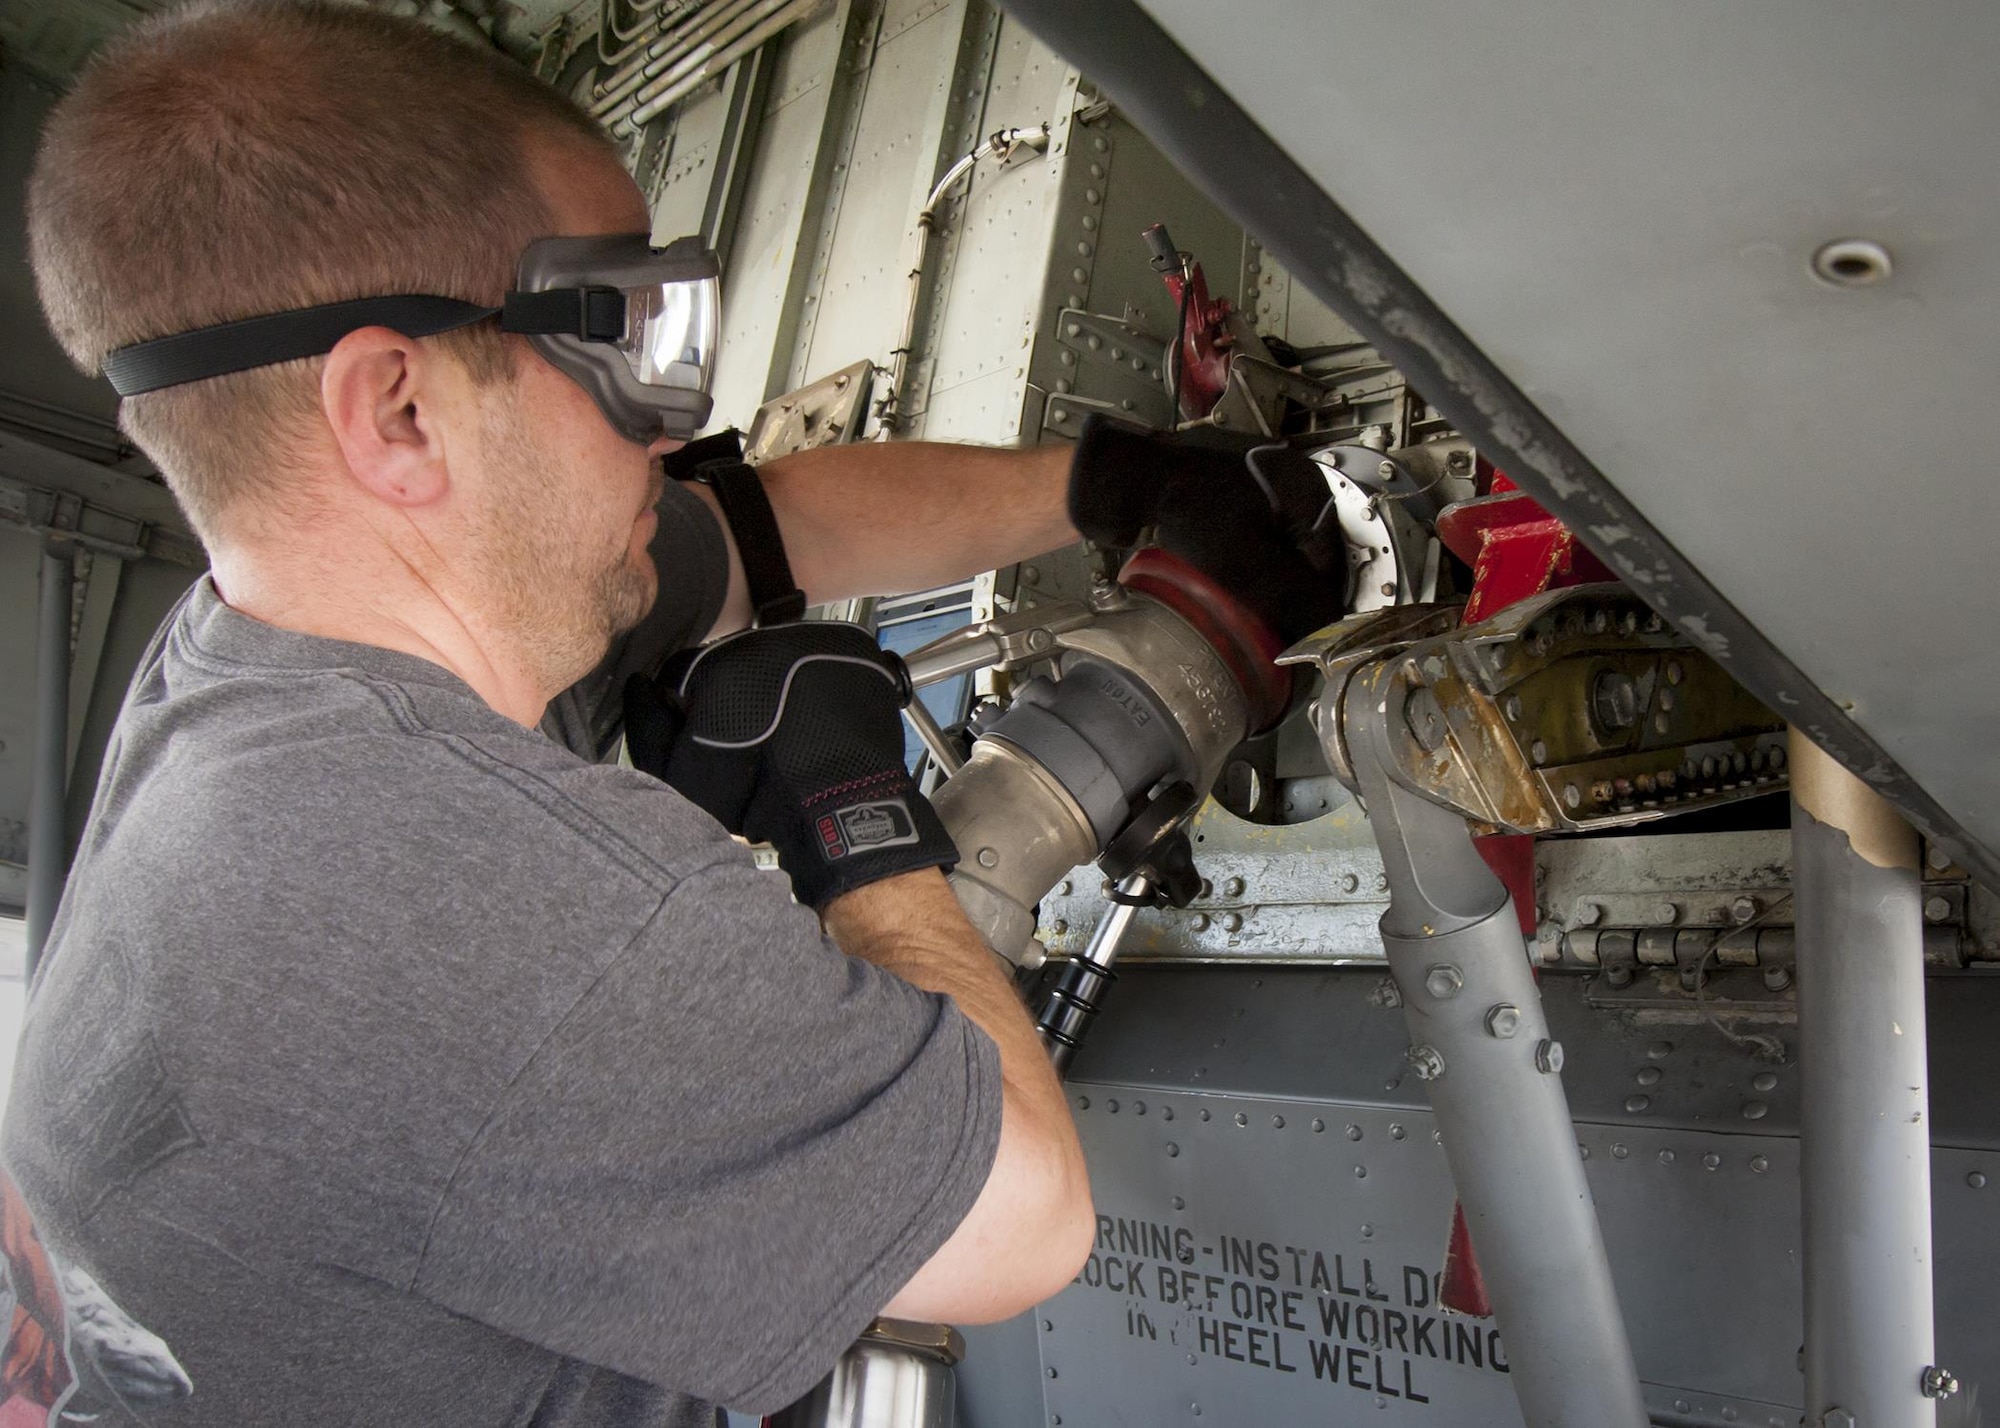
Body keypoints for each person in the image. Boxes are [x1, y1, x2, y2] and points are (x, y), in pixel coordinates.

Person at [2, 2, 1342, 1424]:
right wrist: (861, 825)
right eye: (627, 334)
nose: (669, 414)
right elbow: (1023, 1221)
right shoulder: (443, 892)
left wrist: (1116, 486)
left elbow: (771, 526)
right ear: (396, 409)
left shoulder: (251, 668)